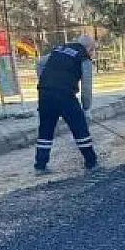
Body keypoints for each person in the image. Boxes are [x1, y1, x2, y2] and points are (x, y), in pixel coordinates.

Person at [34, 34, 99, 174]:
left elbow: (39, 63)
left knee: (45, 129)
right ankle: (91, 162)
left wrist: (45, 81)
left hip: (45, 94)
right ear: (89, 48)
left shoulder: (59, 49)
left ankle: (40, 166)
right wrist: (86, 108)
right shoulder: (83, 57)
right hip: (65, 95)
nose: (92, 53)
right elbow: (87, 86)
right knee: (79, 127)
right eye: (92, 50)